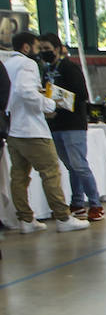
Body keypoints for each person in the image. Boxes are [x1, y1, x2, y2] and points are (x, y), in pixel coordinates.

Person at [1, 31, 89, 233]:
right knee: (51, 173)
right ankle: (63, 217)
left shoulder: (7, 65)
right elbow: (26, 92)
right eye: (37, 47)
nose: (39, 52)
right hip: (33, 131)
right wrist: (48, 104)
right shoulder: (27, 64)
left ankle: (25, 219)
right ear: (26, 47)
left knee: (19, 176)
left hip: (13, 129)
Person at [37, 33, 102, 222]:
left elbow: (81, 94)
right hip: (55, 124)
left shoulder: (69, 67)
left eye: (47, 49)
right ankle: (77, 202)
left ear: (57, 49)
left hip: (73, 124)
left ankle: (95, 203)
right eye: (41, 49)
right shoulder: (45, 70)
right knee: (70, 166)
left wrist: (56, 99)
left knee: (80, 165)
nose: (43, 53)